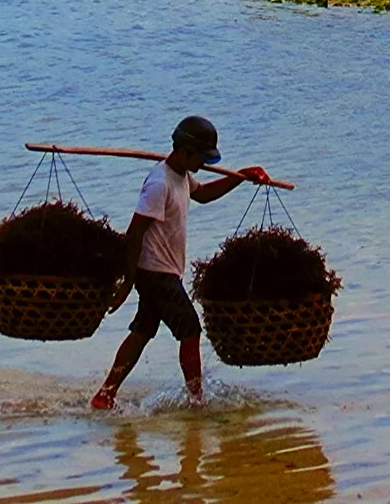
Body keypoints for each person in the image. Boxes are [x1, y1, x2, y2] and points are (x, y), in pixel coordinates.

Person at [90, 116, 271, 409]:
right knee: (190, 328)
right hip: (154, 271)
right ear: (184, 151)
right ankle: (196, 399)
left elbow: (203, 194)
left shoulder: (183, 177)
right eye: (200, 157)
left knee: (142, 331)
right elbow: (134, 234)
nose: (204, 162)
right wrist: (128, 282)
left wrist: (240, 176)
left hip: (164, 270)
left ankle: (105, 394)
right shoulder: (159, 184)